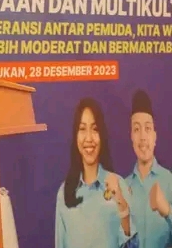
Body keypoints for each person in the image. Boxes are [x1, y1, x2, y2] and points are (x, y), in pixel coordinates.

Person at [54, 97, 137, 248]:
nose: (89, 138)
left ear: (102, 135)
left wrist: (121, 204)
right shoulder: (64, 193)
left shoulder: (119, 185)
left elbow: (134, 245)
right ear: (75, 136)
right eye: (82, 129)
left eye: (95, 129)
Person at [124, 90, 172, 248]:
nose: (143, 137)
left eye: (148, 128)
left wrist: (167, 211)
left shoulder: (168, 181)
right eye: (137, 129)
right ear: (131, 137)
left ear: (155, 136)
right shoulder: (124, 187)